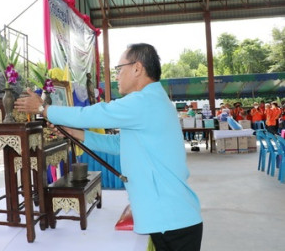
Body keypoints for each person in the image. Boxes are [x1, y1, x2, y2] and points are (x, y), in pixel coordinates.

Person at [15, 43, 203, 250]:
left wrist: (44, 108)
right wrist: (77, 133)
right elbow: (119, 144)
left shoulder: (144, 101)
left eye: (119, 69)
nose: (117, 76)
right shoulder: (152, 101)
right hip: (170, 217)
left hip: (172, 220)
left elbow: (96, 113)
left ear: (137, 68)